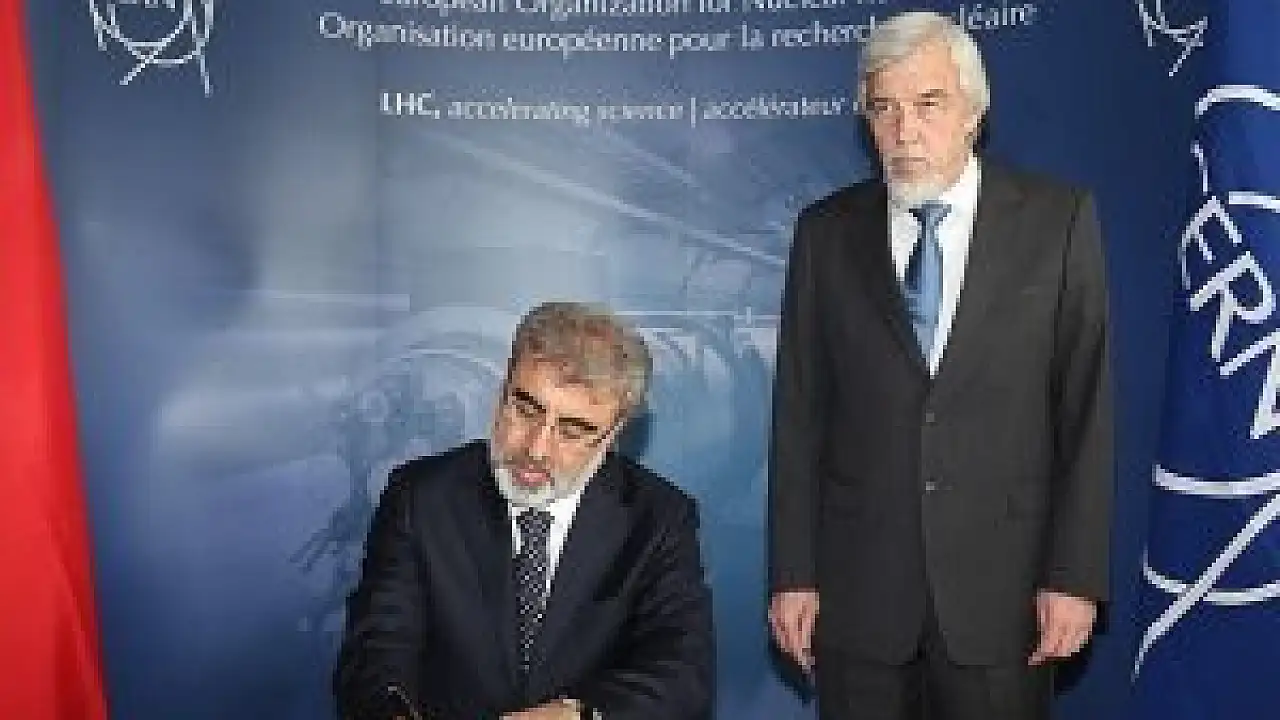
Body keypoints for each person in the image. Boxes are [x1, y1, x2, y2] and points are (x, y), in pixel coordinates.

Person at [767, 10, 1113, 720]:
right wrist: (793, 572)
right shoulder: (825, 233)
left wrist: (1075, 576)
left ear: (973, 114)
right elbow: (800, 413)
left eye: (928, 104)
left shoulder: (1057, 222)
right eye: (883, 108)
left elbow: (1086, 411)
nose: (904, 130)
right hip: (860, 595)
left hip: (1006, 596)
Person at [335, 301, 714, 719]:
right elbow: (377, 648)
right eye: (526, 410)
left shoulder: (658, 518)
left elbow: (681, 672)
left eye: (572, 430)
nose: (536, 448)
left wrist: (577, 715)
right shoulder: (420, 496)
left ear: (613, 434)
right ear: (502, 392)